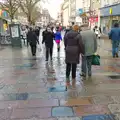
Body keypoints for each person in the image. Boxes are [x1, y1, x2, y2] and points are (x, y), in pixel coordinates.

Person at [64, 25, 84, 89]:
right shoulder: (78, 35)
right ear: (77, 29)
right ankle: (73, 77)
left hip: (68, 49)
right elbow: (80, 44)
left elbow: (65, 42)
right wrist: (82, 51)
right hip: (75, 50)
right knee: (74, 64)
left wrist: (67, 47)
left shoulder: (67, 34)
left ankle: (67, 76)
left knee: (68, 63)